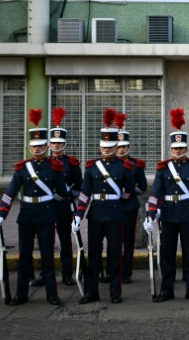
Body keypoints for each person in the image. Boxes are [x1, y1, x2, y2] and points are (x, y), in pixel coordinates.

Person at [0, 109, 67, 306]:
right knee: (24, 258)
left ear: (46, 146)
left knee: (47, 257)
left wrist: (49, 200)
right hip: (26, 216)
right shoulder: (22, 168)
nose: (37, 149)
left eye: (40, 145)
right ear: (30, 146)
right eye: (34, 146)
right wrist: (2, 214)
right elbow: (10, 192)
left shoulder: (54, 167)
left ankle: (52, 294)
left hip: (46, 215)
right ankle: (21, 294)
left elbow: (62, 193)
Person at [146, 108, 189, 303]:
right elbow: (156, 192)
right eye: (175, 148)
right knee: (167, 255)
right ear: (171, 149)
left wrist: (188, 199)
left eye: (181, 148)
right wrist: (151, 213)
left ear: (186, 149)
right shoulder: (163, 169)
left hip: (187, 214)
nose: (178, 151)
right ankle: (167, 290)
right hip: (168, 215)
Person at [74, 108, 135, 304]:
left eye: (110, 146)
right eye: (104, 147)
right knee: (93, 256)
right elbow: (84, 194)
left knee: (115, 255)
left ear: (117, 146)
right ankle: (92, 292)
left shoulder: (124, 167)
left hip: (116, 215)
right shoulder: (91, 168)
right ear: (100, 147)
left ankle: (115, 292)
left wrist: (118, 201)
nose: (106, 150)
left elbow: (129, 191)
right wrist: (78, 215)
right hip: (96, 215)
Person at [29, 107, 82, 288]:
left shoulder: (72, 163)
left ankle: (67, 274)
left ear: (64, 144)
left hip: (63, 208)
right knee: (46, 243)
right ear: (48, 144)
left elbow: (79, 187)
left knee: (65, 242)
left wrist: (65, 197)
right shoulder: (44, 162)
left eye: (59, 143)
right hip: (45, 208)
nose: (56, 146)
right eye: (53, 143)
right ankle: (45, 275)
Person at [115, 112, 148, 285]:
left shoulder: (136, 165)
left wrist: (130, 191)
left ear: (129, 147)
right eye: (119, 146)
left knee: (128, 241)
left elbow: (142, 186)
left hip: (129, 206)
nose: (121, 149)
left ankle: (126, 272)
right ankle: (113, 271)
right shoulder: (109, 163)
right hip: (112, 207)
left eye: (124, 146)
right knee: (113, 242)